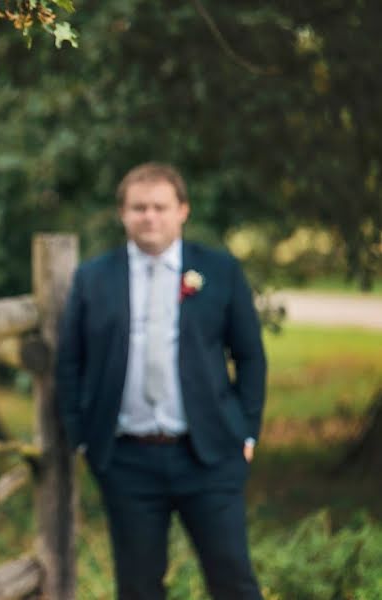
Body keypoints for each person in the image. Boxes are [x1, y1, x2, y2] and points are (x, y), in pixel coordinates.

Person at [55, 163, 266, 599]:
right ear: (123, 214)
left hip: (208, 455)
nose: (149, 216)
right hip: (127, 460)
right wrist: (82, 437)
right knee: (137, 587)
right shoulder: (94, 277)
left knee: (233, 579)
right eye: (139, 208)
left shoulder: (220, 271)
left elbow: (250, 357)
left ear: (182, 211)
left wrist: (246, 430)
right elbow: (70, 362)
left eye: (160, 207)